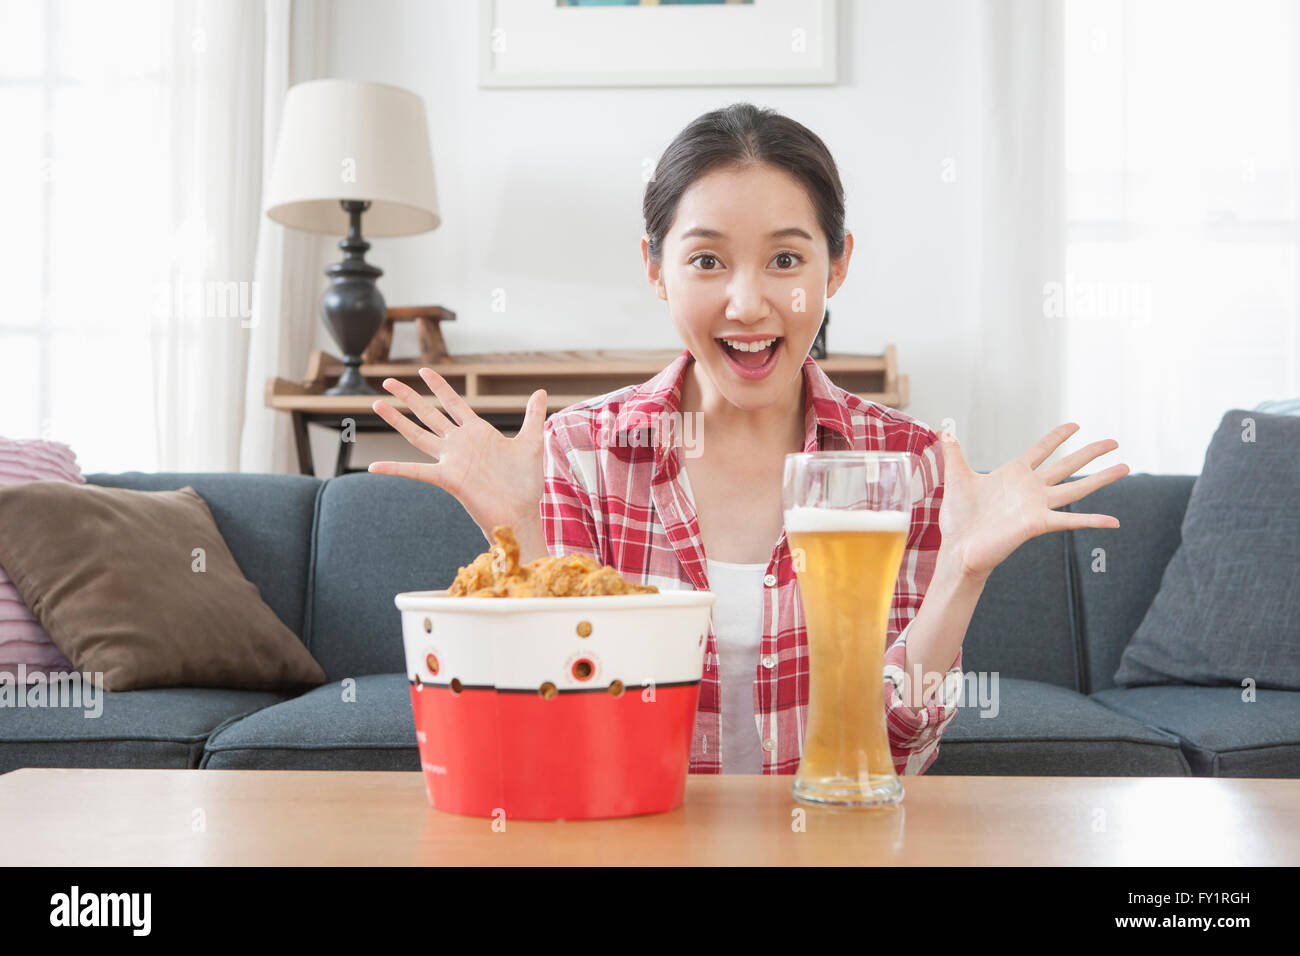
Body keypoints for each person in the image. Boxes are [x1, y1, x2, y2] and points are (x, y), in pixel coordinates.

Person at [367, 102, 1129, 776]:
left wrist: (962, 573)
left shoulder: (912, 465)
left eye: (787, 260)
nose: (748, 302)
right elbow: (573, 722)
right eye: (706, 260)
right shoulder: (578, 455)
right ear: (655, 269)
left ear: (837, 268)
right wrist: (523, 535)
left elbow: (892, 749)